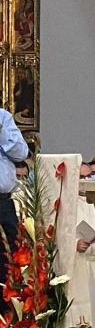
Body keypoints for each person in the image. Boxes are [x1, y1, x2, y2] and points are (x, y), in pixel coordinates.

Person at [67, 163, 95, 328]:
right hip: (78, 263)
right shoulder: (67, 205)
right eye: (82, 177)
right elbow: (58, 238)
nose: (86, 180)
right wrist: (75, 244)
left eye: (89, 176)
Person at [0, 109, 29, 279]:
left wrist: (2, 133)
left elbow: (21, 153)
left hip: (3, 203)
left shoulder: (3, 117)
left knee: (9, 265)